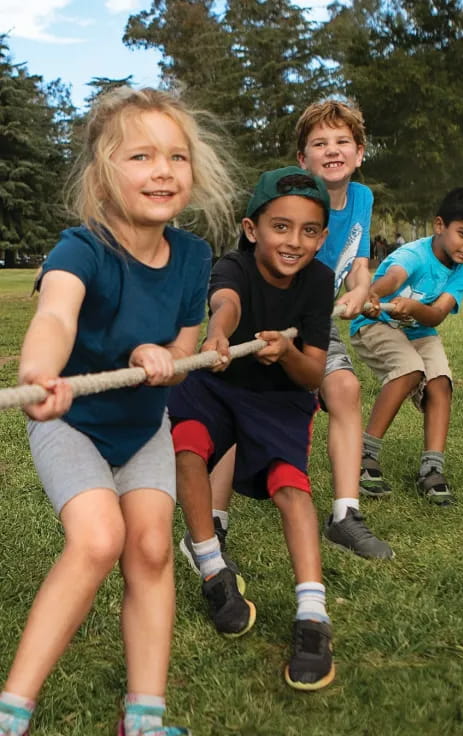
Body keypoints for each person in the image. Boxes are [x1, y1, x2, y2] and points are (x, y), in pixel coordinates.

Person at [0, 86, 235, 736]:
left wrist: (156, 352)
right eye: (140, 155)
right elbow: (54, 312)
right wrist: (39, 372)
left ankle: (145, 717)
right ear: (103, 173)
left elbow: (183, 346)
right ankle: (11, 710)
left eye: (177, 156)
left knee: (154, 549)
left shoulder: (192, 257)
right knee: (99, 539)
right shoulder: (83, 248)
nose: (162, 169)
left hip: (142, 429)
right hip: (70, 420)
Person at [194, 99, 392, 564]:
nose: (332, 150)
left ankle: (345, 515)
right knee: (239, 401)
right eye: (319, 143)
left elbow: (359, 266)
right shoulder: (285, 196)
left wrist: (361, 291)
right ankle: (215, 521)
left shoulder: (362, 199)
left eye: (342, 142)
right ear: (302, 158)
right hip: (261, 315)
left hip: (315, 318)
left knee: (343, 387)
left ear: (360, 153)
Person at [167, 167, 342, 691]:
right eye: (280, 227)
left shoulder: (319, 281)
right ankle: (213, 570)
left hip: (281, 396)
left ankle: (313, 615)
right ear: (251, 229)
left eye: (309, 230)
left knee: (292, 486)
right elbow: (226, 303)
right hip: (219, 385)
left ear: (322, 236)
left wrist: (287, 351)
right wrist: (218, 334)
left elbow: (314, 374)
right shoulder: (233, 265)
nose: (294, 241)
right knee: (188, 447)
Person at [350, 188, 463, 505]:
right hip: (376, 323)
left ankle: (432, 469)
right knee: (410, 371)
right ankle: (364, 456)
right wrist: (373, 294)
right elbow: (391, 279)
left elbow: (438, 314)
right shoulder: (413, 255)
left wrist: (413, 309)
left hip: (420, 326)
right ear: (440, 226)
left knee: (440, 384)